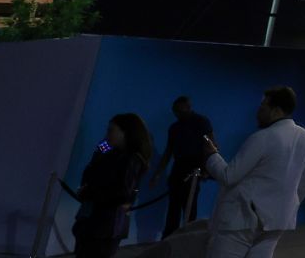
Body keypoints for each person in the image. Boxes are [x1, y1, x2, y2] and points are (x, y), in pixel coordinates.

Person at [203, 87, 305, 258]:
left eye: (263, 107)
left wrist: (212, 155)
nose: (258, 112)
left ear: (276, 111)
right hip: (277, 222)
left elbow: (228, 176)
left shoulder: (263, 137)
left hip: (241, 221)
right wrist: (283, 206)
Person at [75, 113, 153, 258]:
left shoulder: (131, 159)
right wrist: (101, 149)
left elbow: (121, 193)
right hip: (94, 222)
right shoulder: (112, 153)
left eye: (111, 130)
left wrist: (88, 193)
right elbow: (90, 171)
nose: (107, 134)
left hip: (105, 226)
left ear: (126, 133)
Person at [150, 95, 214, 237]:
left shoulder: (201, 122)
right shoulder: (175, 128)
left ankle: (187, 238)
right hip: (179, 167)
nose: (178, 113)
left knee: (189, 206)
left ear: (187, 107)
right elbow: (169, 150)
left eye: (180, 110)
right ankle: (169, 238)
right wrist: (158, 173)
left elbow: (210, 146)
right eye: (176, 111)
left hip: (193, 166)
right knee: (174, 205)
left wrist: (206, 169)